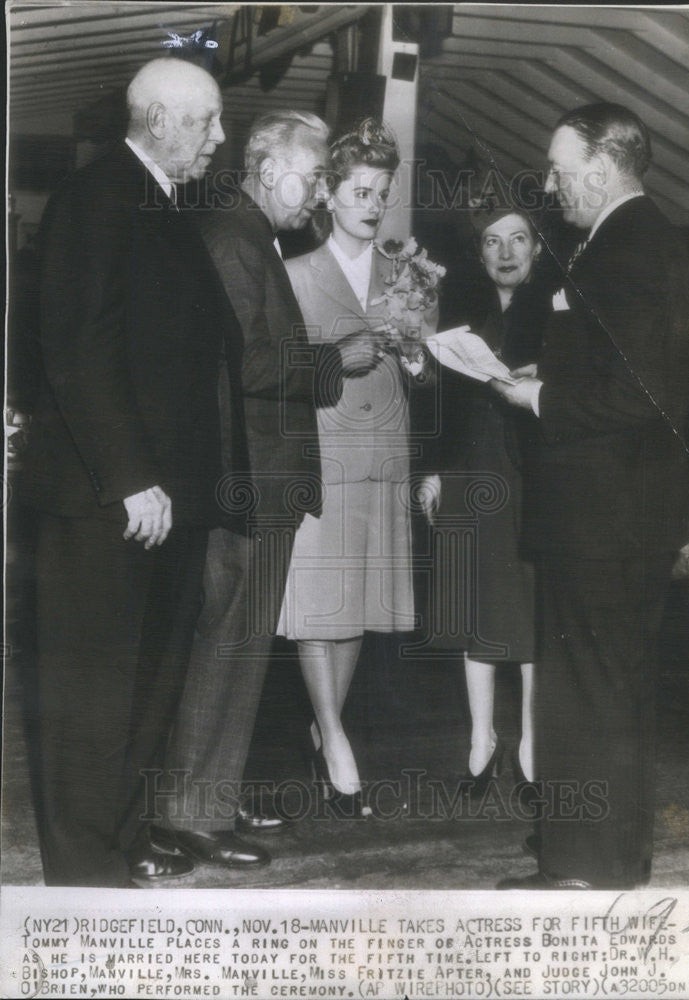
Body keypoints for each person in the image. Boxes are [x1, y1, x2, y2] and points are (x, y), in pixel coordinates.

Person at [151, 112, 386, 862]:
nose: (319, 194)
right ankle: (190, 813)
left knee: (242, 648)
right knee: (226, 647)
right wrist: (331, 362)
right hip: (244, 479)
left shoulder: (250, 235)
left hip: (258, 477)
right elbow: (246, 366)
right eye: (313, 175)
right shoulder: (232, 235)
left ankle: (209, 799)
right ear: (266, 163)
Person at [19, 57, 228, 886]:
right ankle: (83, 868)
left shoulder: (159, 203)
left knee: (145, 685)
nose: (219, 136)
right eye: (208, 121)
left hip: (159, 499)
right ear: (160, 120)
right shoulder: (98, 196)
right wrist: (132, 475)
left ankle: (125, 838)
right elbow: (76, 349)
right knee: (90, 693)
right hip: (107, 498)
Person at [492, 104, 689, 889]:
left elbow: (638, 398)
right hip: (622, 512)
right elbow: (625, 378)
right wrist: (551, 377)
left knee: (586, 694)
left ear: (603, 166)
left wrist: (534, 400)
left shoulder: (625, 248)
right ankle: (609, 859)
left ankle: (583, 868)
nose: (549, 185)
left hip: (602, 515)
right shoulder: (640, 240)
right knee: (612, 690)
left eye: (557, 169)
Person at [276, 119, 436, 816]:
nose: (371, 204)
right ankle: (337, 742)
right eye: (359, 191)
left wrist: (419, 360)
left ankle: (323, 729)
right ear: (328, 197)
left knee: (360, 607)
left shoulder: (409, 275)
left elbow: (430, 376)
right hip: (324, 452)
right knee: (318, 605)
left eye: (380, 192)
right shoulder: (293, 276)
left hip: (386, 455)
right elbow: (275, 374)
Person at [419, 203, 550, 794]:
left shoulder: (556, 316)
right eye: (493, 242)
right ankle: (482, 742)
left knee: (529, 618)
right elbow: (437, 408)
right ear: (480, 255)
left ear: (536, 250)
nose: (506, 252)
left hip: (534, 482)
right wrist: (433, 471)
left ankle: (530, 749)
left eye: (518, 240)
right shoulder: (460, 318)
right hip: (471, 476)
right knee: (474, 613)